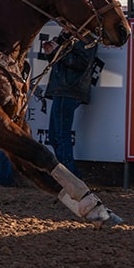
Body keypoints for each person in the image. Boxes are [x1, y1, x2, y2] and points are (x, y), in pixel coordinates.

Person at [41, 30, 97, 177]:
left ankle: (69, 176)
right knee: (55, 135)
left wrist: (56, 51)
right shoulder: (70, 37)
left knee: (59, 135)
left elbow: (80, 63)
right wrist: (51, 53)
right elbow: (62, 61)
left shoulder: (86, 39)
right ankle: (70, 175)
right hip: (65, 90)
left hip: (68, 90)